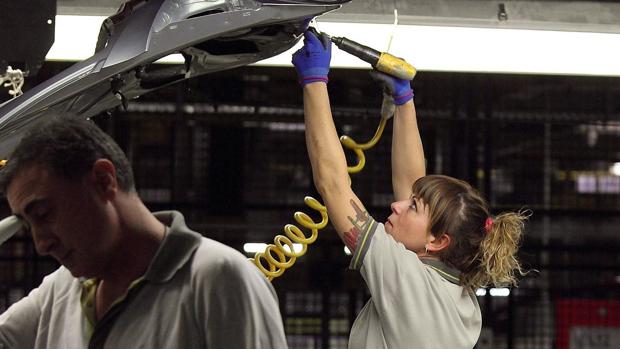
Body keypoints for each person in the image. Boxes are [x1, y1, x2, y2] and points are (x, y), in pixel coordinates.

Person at [292, 30, 528, 348]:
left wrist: (314, 81)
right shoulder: (455, 295)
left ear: (438, 241)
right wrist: (404, 101)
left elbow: (333, 185)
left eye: (413, 208)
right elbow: (411, 186)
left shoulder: (408, 281)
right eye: (411, 202)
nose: (397, 206)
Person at [0, 116, 288, 348]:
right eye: (28, 224)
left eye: (43, 214)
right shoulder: (63, 289)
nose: (41, 244)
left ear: (103, 181)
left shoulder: (217, 278)